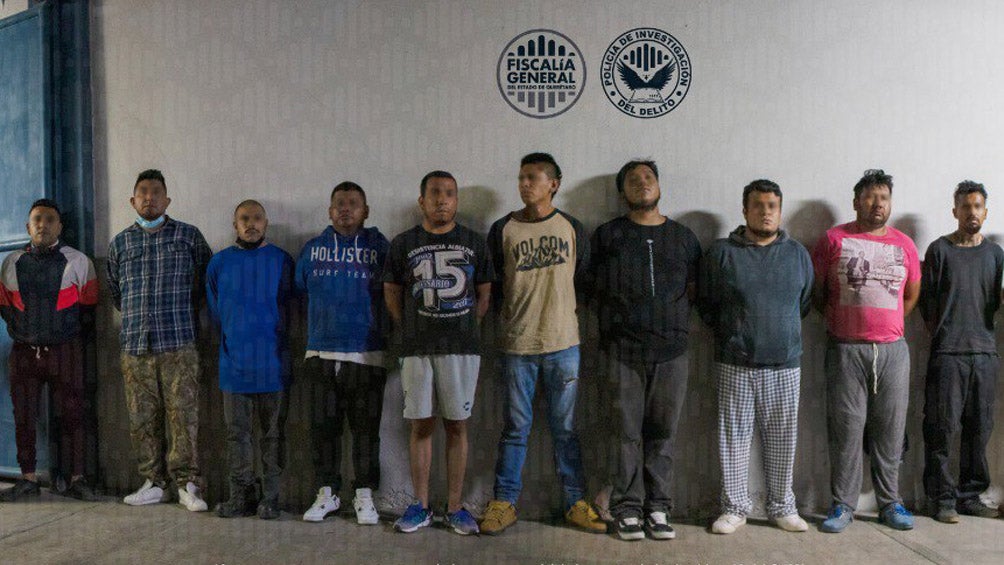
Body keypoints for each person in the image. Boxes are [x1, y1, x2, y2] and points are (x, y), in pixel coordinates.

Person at [479, 152, 605, 535]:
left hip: (564, 343)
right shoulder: (503, 229)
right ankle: (504, 502)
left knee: (565, 428)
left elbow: (584, 282)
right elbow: (493, 286)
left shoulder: (571, 227)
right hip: (517, 344)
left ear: (554, 184)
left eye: (533, 177)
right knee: (515, 428)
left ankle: (575, 502)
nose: (524, 184)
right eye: (521, 177)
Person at [588, 160, 699, 540]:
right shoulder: (607, 236)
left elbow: (694, 290)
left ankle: (658, 508)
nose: (642, 183)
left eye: (648, 177)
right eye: (633, 180)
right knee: (625, 433)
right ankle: (627, 508)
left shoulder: (683, 237)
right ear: (622, 192)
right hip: (621, 351)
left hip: (672, 352)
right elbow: (591, 289)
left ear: (659, 185)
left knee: (663, 433)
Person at [698, 180, 813, 535]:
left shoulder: (797, 254)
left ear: (780, 211)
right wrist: (735, 335)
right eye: (758, 205)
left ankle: (782, 507)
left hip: (785, 363)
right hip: (735, 361)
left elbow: (804, 302)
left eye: (772, 206)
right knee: (733, 440)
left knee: (782, 440)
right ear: (745, 210)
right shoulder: (722, 253)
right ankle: (734, 508)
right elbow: (706, 303)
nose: (765, 212)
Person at [384, 171, 493, 535]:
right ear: (422, 200)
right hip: (416, 348)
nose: (442, 199)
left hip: (461, 348)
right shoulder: (403, 243)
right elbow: (391, 291)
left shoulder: (474, 242)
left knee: (457, 425)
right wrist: (408, 327)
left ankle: (456, 507)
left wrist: (467, 324)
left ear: (457, 201)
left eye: (449, 193)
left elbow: (485, 293)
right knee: (421, 424)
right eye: (434, 193)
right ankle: (420, 505)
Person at [812, 169, 921, 532]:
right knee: (846, 431)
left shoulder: (905, 245)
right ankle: (843, 505)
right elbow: (817, 292)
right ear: (856, 201)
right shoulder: (833, 239)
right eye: (871, 197)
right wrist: (847, 323)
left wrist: (885, 325)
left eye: (884, 197)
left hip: (892, 352)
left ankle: (890, 503)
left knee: (890, 432)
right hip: (846, 350)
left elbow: (912, 295)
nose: (878, 204)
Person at [107, 169, 212, 511]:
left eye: (156, 192)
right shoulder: (120, 243)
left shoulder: (188, 236)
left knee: (183, 417)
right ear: (132, 200)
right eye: (143, 192)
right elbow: (117, 293)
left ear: (167, 200)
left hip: (179, 344)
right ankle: (154, 482)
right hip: (135, 347)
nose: (149, 198)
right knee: (142, 419)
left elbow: (204, 284)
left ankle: (187, 484)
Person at [296, 182, 388, 524]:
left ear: (366, 211)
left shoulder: (379, 247)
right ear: (330, 211)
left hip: (366, 354)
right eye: (339, 203)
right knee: (323, 429)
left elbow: (393, 291)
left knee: (365, 431)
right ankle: (327, 493)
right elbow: (299, 289)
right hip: (320, 353)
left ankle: (364, 493)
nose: (345, 209)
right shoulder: (312, 249)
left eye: (353, 203)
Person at [0, 199, 98, 502]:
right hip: (24, 352)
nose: (43, 225)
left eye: (50, 219)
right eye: (37, 219)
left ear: (60, 226)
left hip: (65, 352)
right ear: (28, 227)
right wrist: (27, 333)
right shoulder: (11, 262)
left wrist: (62, 336)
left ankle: (77, 479)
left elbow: (89, 307)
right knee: (24, 416)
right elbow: (5, 306)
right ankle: (28, 479)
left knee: (73, 415)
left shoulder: (79, 261)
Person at [919, 180, 1003, 523]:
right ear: (955, 211)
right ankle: (941, 499)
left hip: (984, 354)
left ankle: (970, 496)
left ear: (986, 211)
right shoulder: (939, 250)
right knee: (941, 428)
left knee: (979, 429)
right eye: (966, 206)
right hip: (948, 353)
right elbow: (927, 304)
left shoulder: (996, 254)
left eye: (977, 206)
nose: (972, 212)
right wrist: (946, 336)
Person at [206, 200, 294, 520]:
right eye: (244, 218)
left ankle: (271, 497)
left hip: (273, 364)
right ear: (235, 224)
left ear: (266, 223)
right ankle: (240, 495)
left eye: (257, 218)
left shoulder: (282, 261)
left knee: (273, 436)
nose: (251, 224)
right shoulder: (219, 264)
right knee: (236, 435)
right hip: (234, 365)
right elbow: (216, 313)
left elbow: (291, 308)